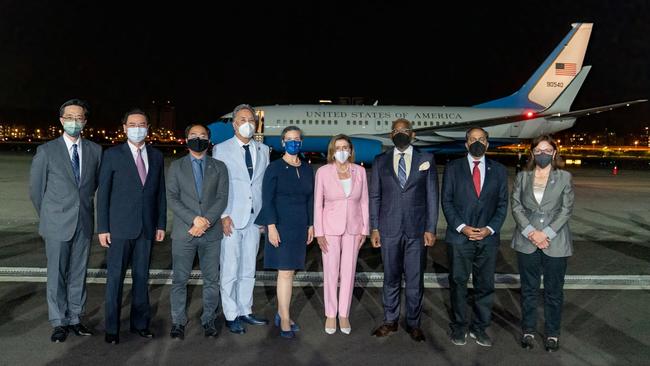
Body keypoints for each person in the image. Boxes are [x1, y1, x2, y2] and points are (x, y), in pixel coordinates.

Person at [29, 99, 102, 343]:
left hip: (83, 222)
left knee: (79, 273)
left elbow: (94, 187)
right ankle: (58, 321)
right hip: (56, 224)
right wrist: (50, 217)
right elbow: (36, 191)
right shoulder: (46, 151)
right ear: (61, 120)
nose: (74, 122)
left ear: (85, 122)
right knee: (57, 274)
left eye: (79, 118)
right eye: (69, 117)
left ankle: (75, 317)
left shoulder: (94, 150)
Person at [97, 108, 166, 344]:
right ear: (124, 128)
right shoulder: (113, 154)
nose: (138, 128)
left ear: (148, 128)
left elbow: (160, 195)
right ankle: (112, 328)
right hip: (119, 229)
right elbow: (103, 194)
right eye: (133, 124)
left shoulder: (156, 156)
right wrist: (103, 227)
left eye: (142, 124)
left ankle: (140, 323)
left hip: (146, 229)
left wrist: (161, 223)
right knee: (114, 279)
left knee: (141, 277)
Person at [369, 118, 439, 342]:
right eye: (396, 131)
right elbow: (375, 196)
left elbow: (431, 196)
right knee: (390, 277)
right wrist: (374, 227)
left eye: (405, 130)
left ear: (413, 134)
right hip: (388, 229)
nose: (401, 134)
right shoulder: (380, 161)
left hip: (417, 230)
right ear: (391, 135)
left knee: (415, 279)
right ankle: (390, 320)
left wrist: (430, 228)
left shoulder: (426, 159)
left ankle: (414, 323)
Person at [441, 127, 508, 347]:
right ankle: (459, 327)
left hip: (488, 238)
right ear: (466, 144)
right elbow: (447, 202)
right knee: (458, 283)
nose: (477, 142)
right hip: (460, 238)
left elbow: (502, 204)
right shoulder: (453, 168)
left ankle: (480, 328)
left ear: (488, 144)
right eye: (472, 139)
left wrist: (490, 228)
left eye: (481, 139)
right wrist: (462, 227)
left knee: (485, 285)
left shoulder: (498, 170)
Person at [511, 135, 574, 352]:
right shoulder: (523, 177)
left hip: (555, 241)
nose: (543, 154)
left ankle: (552, 334)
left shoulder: (564, 177)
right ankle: (528, 330)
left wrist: (546, 233)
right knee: (528, 290)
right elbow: (516, 206)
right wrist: (531, 233)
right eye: (538, 150)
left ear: (555, 153)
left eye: (547, 150)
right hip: (527, 241)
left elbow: (566, 209)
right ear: (532, 153)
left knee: (553, 291)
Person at [167, 124, 229, 340]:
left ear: (209, 140)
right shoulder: (176, 167)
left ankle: (209, 319)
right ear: (186, 139)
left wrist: (206, 222)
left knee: (212, 280)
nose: (198, 138)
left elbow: (222, 198)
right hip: (185, 233)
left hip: (211, 234)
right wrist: (194, 219)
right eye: (194, 135)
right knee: (179, 280)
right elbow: (172, 198)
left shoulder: (219, 166)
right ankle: (178, 321)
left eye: (203, 136)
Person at [213, 104, 270, 334]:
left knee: (248, 267)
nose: (247, 123)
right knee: (229, 267)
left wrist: (265, 216)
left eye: (251, 120)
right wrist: (223, 215)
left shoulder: (264, 150)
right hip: (232, 218)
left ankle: (245, 309)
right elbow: (218, 185)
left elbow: (262, 186)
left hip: (255, 219)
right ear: (235, 124)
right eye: (243, 119)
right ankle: (230, 313)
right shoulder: (221, 149)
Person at [255, 126, 314, 339]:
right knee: (285, 272)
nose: (293, 142)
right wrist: (271, 226)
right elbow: (267, 199)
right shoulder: (275, 168)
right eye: (289, 139)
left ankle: (282, 313)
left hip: (300, 226)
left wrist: (311, 225)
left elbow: (310, 199)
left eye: (297, 139)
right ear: (282, 143)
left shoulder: (307, 169)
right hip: (280, 225)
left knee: (291, 271)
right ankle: (286, 318)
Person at [314, 134, 369, 335]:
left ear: (351, 150)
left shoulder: (360, 171)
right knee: (330, 272)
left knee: (349, 271)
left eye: (345, 147)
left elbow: (364, 201)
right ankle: (330, 313)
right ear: (332, 151)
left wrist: (365, 229)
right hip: (329, 229)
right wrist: (319, 232)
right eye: (338, 148)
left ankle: (343, 313)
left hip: (354, 228)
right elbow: (317, 203)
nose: (342, 151)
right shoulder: (323, 172)